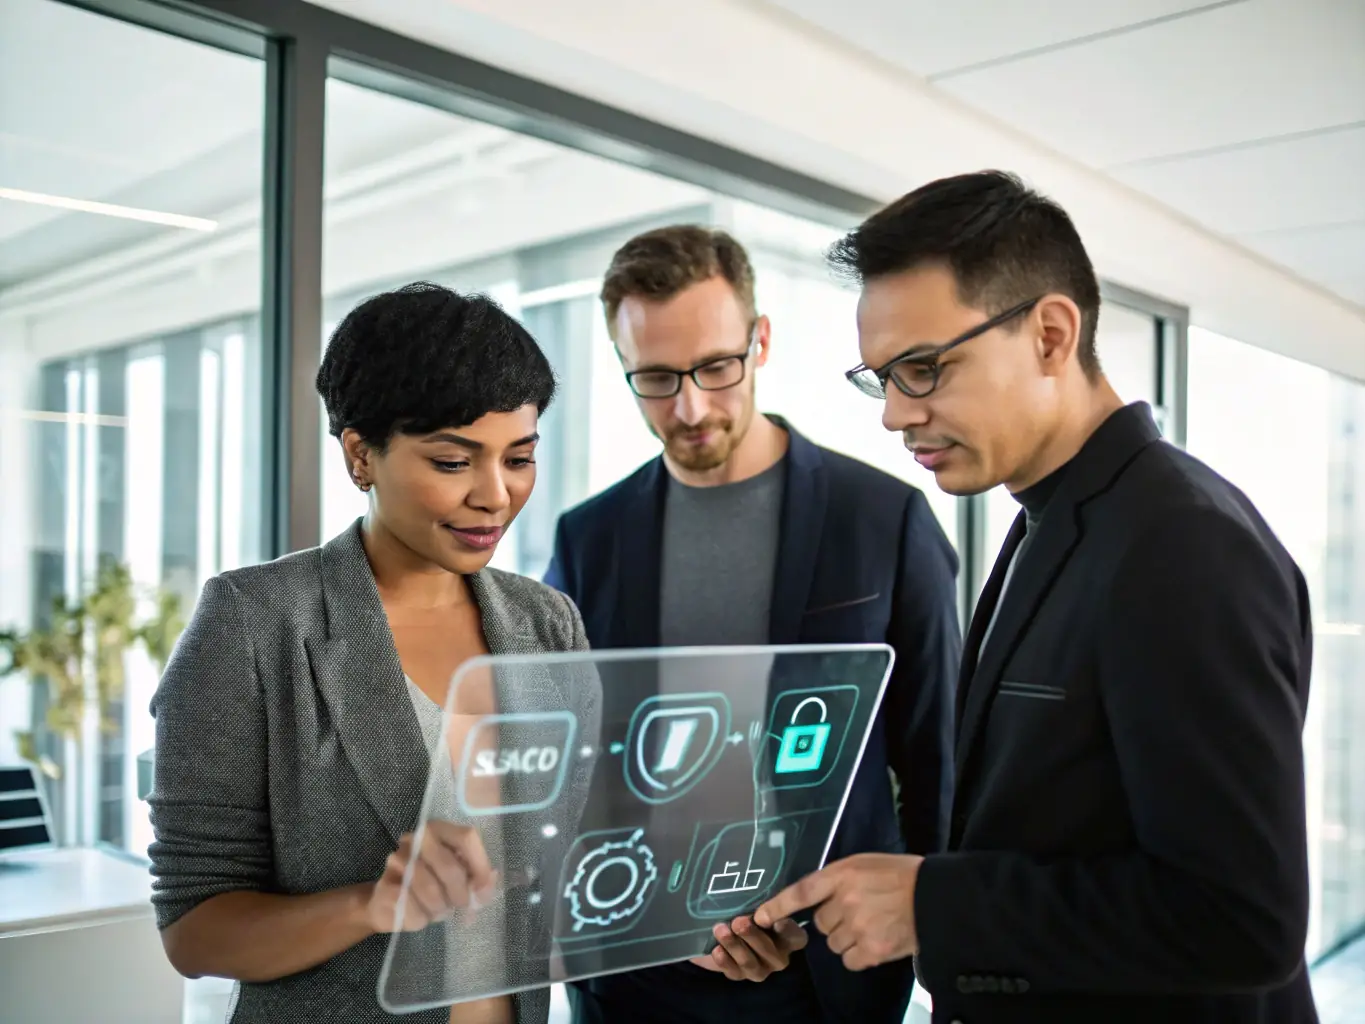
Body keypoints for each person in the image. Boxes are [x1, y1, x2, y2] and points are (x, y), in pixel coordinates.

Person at [757, 171, 1319, 1024]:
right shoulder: (1049, 520)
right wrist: (849, 900)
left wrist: (932, 906)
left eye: (923, 369)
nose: (895, 417)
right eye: (882, 379)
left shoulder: (1181, 543)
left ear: (1050, 334)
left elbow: (1241, 921)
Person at [544, 225, 961, 1024]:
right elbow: (572, 768)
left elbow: (936, 761)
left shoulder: (882, 520)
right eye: (657, 379)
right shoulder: (586, 538)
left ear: (759, 341)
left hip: (824, 971)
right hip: (636, 967)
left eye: (714, 368)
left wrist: (942, 950)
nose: (690, 406)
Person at [147, 283, 593, 1024]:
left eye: (518, 458)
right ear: (361, 454)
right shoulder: (254, 624)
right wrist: (370, 904)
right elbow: (195, 933)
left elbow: (569, 865)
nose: (496, 495)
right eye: (453, 462)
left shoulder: (546, 623)